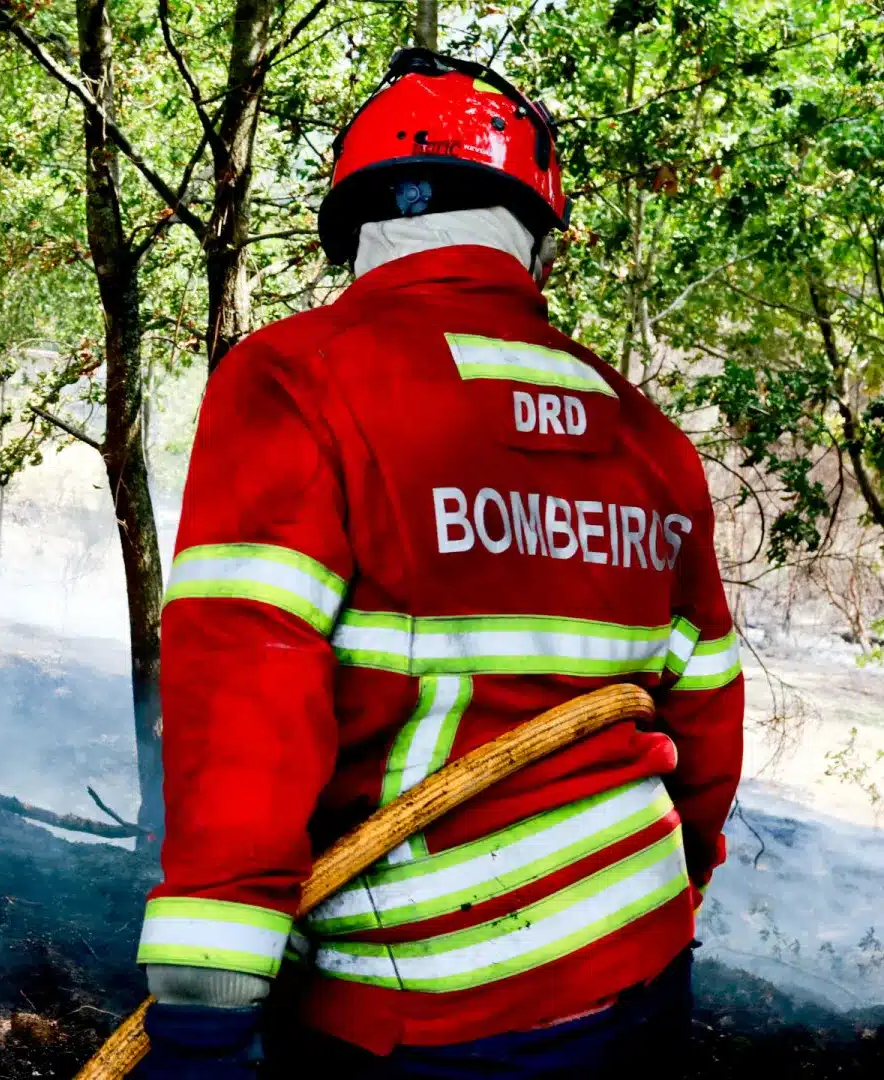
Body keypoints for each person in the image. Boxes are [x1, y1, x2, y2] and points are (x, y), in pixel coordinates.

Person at [135, 50, 743, 1078]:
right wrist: (679, 872)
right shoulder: (646, 434)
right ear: (536, 235)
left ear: (354, 225)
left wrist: (205, 1003)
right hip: (643, 959)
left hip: (427, 1012)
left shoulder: (295, 380)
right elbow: (707, 709)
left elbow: (244, 699)